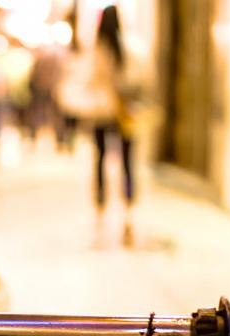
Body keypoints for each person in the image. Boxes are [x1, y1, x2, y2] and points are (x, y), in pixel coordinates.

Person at [91, 5, 135, 245]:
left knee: (99, 160)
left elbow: (88, 81)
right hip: (123, 112)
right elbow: (137, 80)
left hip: (101, 113)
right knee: (127, 162)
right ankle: (128, 209)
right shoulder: (128, 49)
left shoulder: (97, 51)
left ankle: (100, 207)